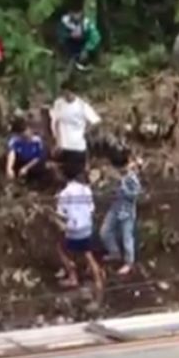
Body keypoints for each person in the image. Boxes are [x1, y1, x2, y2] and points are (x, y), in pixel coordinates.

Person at [55, 167, 104, 295]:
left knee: (61, 248)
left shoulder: (64, 194)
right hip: (87, 227)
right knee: (87, 253)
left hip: (75, 229)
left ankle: (73, 276)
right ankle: (98, 280)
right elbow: (91, 208)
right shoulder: (86, 189)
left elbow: (62, 213)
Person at [100, 147, 142, 276]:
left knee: (127, 238)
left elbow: (135, 195)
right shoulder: (116, 174)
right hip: (115, 208)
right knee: (104, 232)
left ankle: (129, 263)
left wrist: (123, 187)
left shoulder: (131, 177)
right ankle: (114, 252)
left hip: (127, 213)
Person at [49, 81, 101, 180]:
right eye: (64, 93)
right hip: (63, 144)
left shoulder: (81, 105)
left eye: (68, 93)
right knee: (62, 173)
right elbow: (56, 122)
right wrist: (57, 141)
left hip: (77, 145)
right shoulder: (59, 103)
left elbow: (95, 121)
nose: (66, 96)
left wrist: (85, 132)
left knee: (76, 174)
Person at [5, 118, 47, 183]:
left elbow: (38, 157)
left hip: (34, 163)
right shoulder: (15, 140)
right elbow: (12, 152)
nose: (25, 135)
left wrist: (26, 168)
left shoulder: (37, 140)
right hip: (21, 161)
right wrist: (9, 168)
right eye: (21, 135)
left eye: (25, 132)